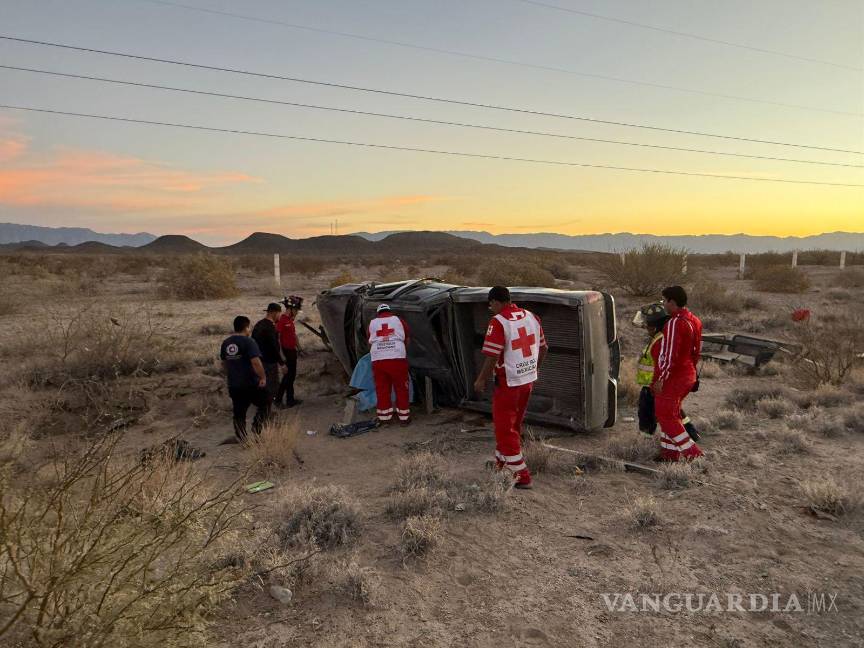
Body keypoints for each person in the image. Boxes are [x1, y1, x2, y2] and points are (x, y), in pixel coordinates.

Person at [473, 286, 547, 489]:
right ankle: (502, 462)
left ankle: (521, 475)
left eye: (491, 305)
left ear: (496, 302)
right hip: (526, 381)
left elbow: (492, 355)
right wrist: (534, 370)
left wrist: (481, 380)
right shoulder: (531, 317)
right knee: (514, 425)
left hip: (508, 383)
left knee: (505, 429)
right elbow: (544, 348)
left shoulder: (498, 322)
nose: (491, 309)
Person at [633, 303, 700, 441]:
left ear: (655, 326)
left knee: (647, 414)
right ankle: (691, 434)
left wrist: (658, 383)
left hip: (655, 384)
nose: (645, 327)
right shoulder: (662, 335)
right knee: (674, 411)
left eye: (648, 325)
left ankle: (645, 441)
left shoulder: (661, 340)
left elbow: (666, 364)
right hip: (658, 383)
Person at [655, 286, 704, 461]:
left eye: (664, 300)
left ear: (672, 302)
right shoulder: (694, 320)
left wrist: (661, 377)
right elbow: (696, 351)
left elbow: (670, 354)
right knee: (672, 414)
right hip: (688, 373)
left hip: (675, 376)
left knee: (665, 415)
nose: (663, 304)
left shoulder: (675, 323)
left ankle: (694, 455)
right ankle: (669, 455)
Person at [220, 315, 269, 441]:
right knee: (265, 403)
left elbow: (224, 364)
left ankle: (242, 437)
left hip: (234, 384)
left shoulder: (226, 343)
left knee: (239, 412)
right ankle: (257, 427)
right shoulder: (249, 342)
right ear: (246, 327)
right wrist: (263, 377)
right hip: (250, 383)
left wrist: (231, 375)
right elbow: (256, 362)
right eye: (249, 327)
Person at [368, 303, 411, 425]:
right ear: (390, 311)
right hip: (397, 358)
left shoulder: (372, 323)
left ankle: (384, 418)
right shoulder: (399, 320)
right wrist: (402, 349)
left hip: (378, 359)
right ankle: (404, 418)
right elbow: (407, 338)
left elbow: (370, 341)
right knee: (401, 387)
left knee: (382, 388)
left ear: (378, 313)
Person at [252, 303, 283, 406]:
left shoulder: (259, 324)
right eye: (279, 313)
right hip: (269, 361)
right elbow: (274, 346)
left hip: (259, 361)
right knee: (272, 385)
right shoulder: (270, 327)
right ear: (274, 313)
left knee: (263, 384)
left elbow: (253, 342)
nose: (279, 316)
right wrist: (281, 363)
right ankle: (272, 407)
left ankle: (263, 406)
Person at [276, 295, 304, 408]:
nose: (296, 313)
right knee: (287, 377)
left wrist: (299, 348)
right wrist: (281, 355)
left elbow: (293, 335)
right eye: (296, 310)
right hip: (286, 352)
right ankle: (278, 399)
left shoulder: (290, 320)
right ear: (290, 309)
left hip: (292, 351)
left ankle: (290, 399)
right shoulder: (282, 320)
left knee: (291, 376)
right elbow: (277, 339)